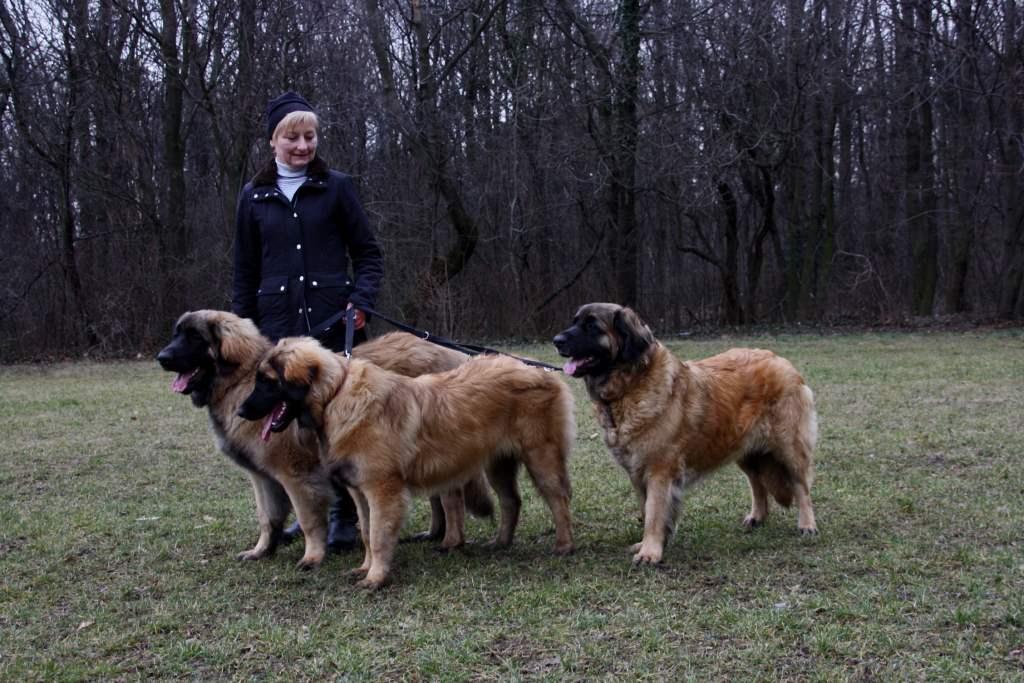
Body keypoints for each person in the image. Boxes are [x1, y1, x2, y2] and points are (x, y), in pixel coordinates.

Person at [232, 91, 384, 550]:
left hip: (334, 324)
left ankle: (346, 514)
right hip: (274, 330)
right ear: (273, 140)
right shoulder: (253, 196)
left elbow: (368, 254)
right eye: (293, 137)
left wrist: (360, 301)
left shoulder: (336, 186)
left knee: (338, 421)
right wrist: (246, 331)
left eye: (310, 136)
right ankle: (309, 511)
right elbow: (244, 271)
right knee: (291, 427)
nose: (302, 145)